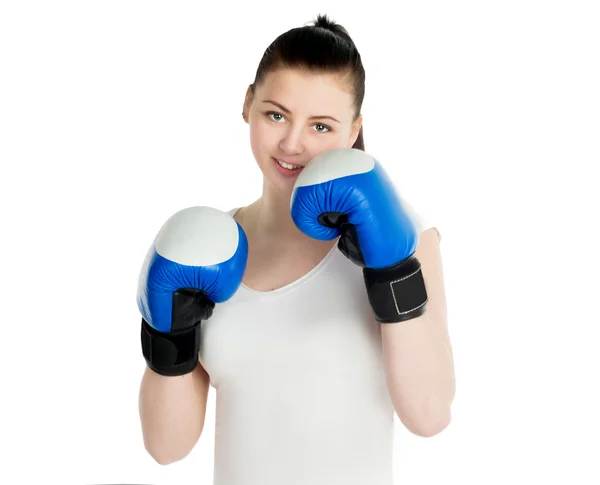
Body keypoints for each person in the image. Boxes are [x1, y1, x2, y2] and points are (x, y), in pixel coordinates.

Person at [137, 14, 455, 485]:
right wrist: (167, 333)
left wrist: (392, 270)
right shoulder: (205, 252)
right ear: (247, 104)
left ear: (353, 131)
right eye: (276, 114)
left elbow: (429, 415)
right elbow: (166, 448)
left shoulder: (400, 236)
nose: (292, 143)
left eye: (321, 127)